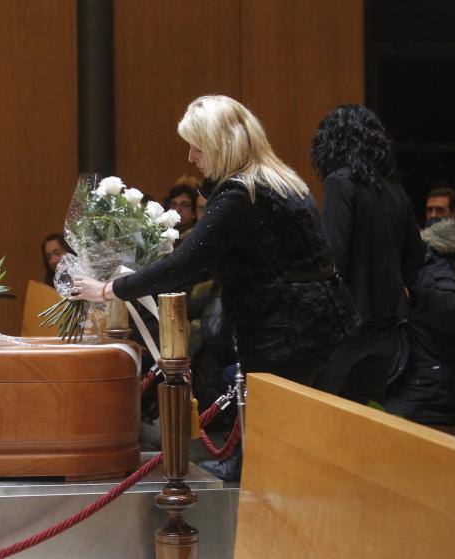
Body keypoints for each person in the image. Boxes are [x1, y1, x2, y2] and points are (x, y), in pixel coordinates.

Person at [71, 94, 359, 387]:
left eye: (197, 147)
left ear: (220, 145)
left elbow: (185, 266)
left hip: (287, 334)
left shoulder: (242, 194)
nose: (191, 157)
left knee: (277, 430)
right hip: (324, 326)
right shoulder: (279, 180)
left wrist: (108, 289)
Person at [310, 104, 425, 405]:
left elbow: (332, 257)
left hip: (347, 328)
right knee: (363, 421)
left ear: (332, 141)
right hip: (387, 327)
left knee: (321, 415)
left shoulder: (340, 183)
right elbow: (416, 254)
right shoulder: (395, 190)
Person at [386, 217, 455, 424]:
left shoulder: (432, 262)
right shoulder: (421, 261)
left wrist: (412, 297)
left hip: (427, 398)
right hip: (420, 390)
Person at [163, 177, 200, 246]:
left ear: (194, 213)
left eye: (184, 205)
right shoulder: (162, 233)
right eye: (174, 204)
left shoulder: (195, 237)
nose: (177, 209)